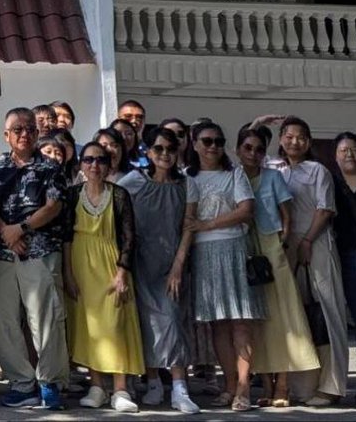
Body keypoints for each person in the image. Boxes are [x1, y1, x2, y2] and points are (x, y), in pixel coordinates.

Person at [0, 107, 68, 411]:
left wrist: (20, 229)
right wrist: (7, 234)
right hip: (3, 254)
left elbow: (54, 206)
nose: (24, 135)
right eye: (17, 130)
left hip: (40, 252)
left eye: (30, 129)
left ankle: (50, 382)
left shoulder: (49, 167)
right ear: (6, 135)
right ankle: (22, 383)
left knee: (45, 320)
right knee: (5, 321)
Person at [264, 115, 349, 406]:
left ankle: (331, 386)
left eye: (301, 137)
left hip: (317, 245)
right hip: (286, 248)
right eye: (288, 136)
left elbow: (325, 210)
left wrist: (307, 241)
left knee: (327, 313)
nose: (294, 142)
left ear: (309, 142)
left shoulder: (317, 171)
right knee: (297, 316)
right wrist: (257, 123)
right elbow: (243, 155)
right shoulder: (275, 169)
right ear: (280, 139)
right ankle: (302, 387)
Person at [117, 126, 198, 413]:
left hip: (173, 261)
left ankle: (179, 387)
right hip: (140, 262)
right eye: (159, 149)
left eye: (170, 149)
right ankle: (153, 381)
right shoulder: (133, 182)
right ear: (148, 152)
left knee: (173, 319)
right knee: (145, 323)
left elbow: (189, 226)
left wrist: (178, 265)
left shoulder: (186, 184)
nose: (165, 154)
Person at [183, 119, 262, 412]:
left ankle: (243, 386)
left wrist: (208, 224)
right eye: (207, 141)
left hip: (232, 247)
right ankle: (228, 384)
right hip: (203, 253)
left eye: (218, 141)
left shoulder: (234, 173)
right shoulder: (187, 177)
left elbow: (246, 210)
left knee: (240, 321)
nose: (213, 146)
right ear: (194, 144)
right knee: (217, 323)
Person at [237, 126, 318, 406]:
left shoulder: (272, 176)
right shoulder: (234, 176)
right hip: (243, 246)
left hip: (272, 246)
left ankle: (283, 384)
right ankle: (266, 387)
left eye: (259, 149)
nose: (254, 153)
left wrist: (283, 243)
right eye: (248, 148)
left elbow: (287, 215)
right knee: (256, 321)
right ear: (238, 150)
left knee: (283, 316)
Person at [62, 142, 143, 413]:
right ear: (81, 165)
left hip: (110, 263)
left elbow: (129, 236)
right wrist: (68, 274)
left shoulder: (119, 195)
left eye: (100, 160)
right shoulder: (72, 195)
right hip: (81, 266)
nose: (94, 165)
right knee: (88, 327)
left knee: (115, 325)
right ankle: (96, 386)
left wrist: (122, 271)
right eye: (88, 160)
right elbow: (65, 238)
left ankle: (120, 388)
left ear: (108, 165)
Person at [331, 131, 356, 406]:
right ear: (336, 156)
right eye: (344, 150)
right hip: (348, 258)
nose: (350, 154)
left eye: (354, 149)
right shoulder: (332, 185)